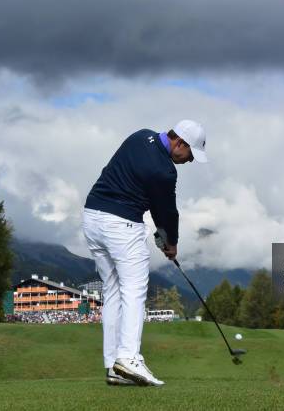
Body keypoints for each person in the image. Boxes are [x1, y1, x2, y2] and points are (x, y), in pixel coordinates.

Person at [82, 120, 207, 387]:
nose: (190, 161)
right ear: (179, 143)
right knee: (134, 290)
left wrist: (163, 234)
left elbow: (148, 198)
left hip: (92, 217)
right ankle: (129, 357)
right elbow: (166, 212)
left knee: (113, 290)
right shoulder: (165, 170)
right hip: (121, 224)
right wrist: (171, 243)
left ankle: (113, 365)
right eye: (191, 154)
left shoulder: (140, 135)